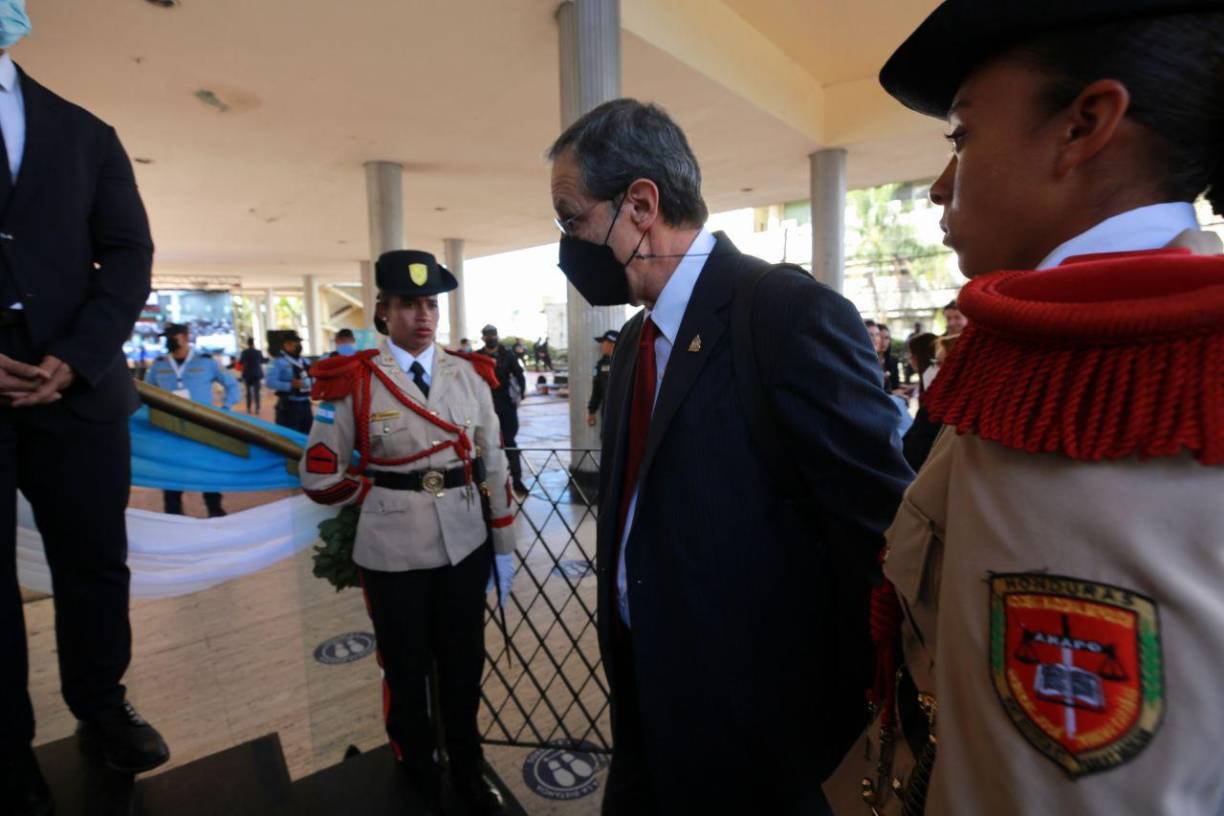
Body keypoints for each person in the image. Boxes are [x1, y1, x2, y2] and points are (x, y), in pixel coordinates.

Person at [865, 3, 1224, 813]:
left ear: (1085, 125)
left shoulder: (1138, 363)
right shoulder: (1036, 340)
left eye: (962, 136)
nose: (939, 186)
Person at [548, 98, 913, 815]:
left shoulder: (783, 314)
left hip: (762, 738)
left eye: (572, 220)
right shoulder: (632, 348)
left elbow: (879, 533)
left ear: (641, 204)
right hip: (648, 701)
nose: (568, 245)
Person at [0, 9, 170, 813]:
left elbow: (129, 252)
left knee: (95, 566)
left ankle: (101, 704)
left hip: (78, 389)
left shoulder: (83, 131)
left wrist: (75, 356)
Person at [300, 250, 516, 815]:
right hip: (391, 550)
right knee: (405, 665)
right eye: (408, 304)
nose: (423, 316)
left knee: (464, 664)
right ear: (383, 311)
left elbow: (494, 461)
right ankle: (418, 769)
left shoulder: (469, 374)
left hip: (464, 543)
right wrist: (376, 497)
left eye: (430, 304)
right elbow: (319, 474)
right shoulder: (352, 380)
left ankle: (467, 768)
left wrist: (504, 546)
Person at [146, 324, 240, 517]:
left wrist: (225, 410)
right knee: (171, 472)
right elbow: (147, 393)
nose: (170, 340)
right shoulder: (159, 364)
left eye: (174, 336)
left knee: (207, 468)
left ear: (186, 337)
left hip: (202, 427)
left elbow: (231, 385)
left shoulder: (206, 361)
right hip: (170, 429)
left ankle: (214, 509)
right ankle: (173, 514)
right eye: (167, 337)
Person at [476, 325, 527, 495]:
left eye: (494, 334)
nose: (491, 337)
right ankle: (487, 482)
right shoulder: (477, 356)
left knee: (510, 442)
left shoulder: (507, 355)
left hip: (505, 405)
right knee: (484, 443)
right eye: (488, 335)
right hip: (484, 405)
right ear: (483, 338)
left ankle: (517, 480)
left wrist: (522, 393)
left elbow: (519, 374)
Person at [268, 330, 312, 433]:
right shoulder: (278, 361)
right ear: (284, 346)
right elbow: (270, 382)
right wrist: (290, 385)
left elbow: (312, 378)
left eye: (297, 343)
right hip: (288, 405)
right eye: (291, 344)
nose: (295, 346)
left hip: (306, 404)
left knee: (307, 436)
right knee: (289, 437)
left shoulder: (305, 361)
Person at [586, 330, 617, 427]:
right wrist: (592, 411)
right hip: (607, 411)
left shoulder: (627, 362)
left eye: (603, 342)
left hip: (623, 411)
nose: (601, 346)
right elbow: (597, 389)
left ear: (611, 343)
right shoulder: (600, 365)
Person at [238, 336, 265, 414]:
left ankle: (248, 408)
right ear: (253, 343)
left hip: (247, 374)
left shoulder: (244, 352)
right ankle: (257, 409)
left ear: (248, 343)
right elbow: (262, 361)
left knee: (248, 392)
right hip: (256, 374)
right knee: (257, 392)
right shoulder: (258, 352)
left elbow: (240, 362)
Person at [878, 324, 901, 392]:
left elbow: (895, 385)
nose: (883, 342)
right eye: (880, 337)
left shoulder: (893, 361)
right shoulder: (867, 360)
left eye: (886, 338)